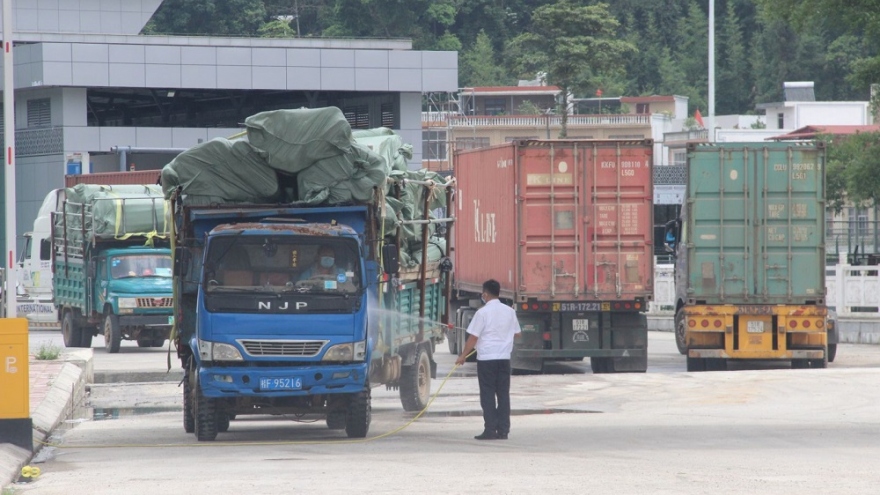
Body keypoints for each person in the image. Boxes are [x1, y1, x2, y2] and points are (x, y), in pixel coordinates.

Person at [456, 279, 521, 440]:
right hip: (504, 359)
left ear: (485, 294)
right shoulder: (509, 311)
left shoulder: (482, 313)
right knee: (503, 394)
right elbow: (518, 334)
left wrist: (463, 355)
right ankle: (504, 430)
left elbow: (473, 338)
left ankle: (490, 429)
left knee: (487, 395)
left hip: (487, 359)